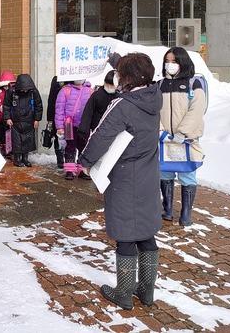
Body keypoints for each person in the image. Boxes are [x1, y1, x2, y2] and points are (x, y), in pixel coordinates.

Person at [79, 53, 162, 310]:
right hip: (149, 173)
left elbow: (101, 135)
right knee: (146, 233)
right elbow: (135, 70)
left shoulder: (123, 105)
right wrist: (117, 60)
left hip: (125, 176)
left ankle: (124, 292)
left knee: (126, 233)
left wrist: (86, 161)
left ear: (127, 77)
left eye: (119, 73)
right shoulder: (153, 97)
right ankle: (146, 290)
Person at [159, 47, 206, 226]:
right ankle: (167, 209)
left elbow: (197, 110)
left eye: (174, 61)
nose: (170, 65)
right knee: (165, 174)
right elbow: (154, 110)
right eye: (167, 61)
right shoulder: (160, 85)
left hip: (186, 140)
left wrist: (182, 132)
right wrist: (161, 132)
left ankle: (186, 213)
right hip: (165, 141)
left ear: (182, 62)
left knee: (187, 175)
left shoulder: (194, 83)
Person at [55, 79, 93, 179]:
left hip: (84, 125)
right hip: (69, 124)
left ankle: (82, 170)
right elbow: (59, 110)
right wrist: (59, 126)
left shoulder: (90, 91)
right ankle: (70, 170)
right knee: (70, 147)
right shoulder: (65, 90)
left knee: (84, 147)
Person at [3, 73, 43, 167]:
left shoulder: (33, 92)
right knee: (17, 141)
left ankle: (25, 159)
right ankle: (17, 159)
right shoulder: (11, 91)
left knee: (27, 140)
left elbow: (38, 106)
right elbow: (6, 106)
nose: (24, 91)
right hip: (15, 121)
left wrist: (37, 119)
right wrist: (7, 118)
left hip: (29, 121)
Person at [79, 71, 118, 136]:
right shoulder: (96, 95)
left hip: (111, 129)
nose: (109, 87)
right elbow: (88, 112)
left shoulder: (118, 97)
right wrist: (83, 129)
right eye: (107, 84)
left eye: (111, 85)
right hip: (96, 128)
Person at [46, 76, 65, 169]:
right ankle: (60, 160)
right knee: (58, 137)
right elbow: (51, 99)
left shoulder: (73, 78)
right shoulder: (57, 79)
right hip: (56, 115)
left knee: (69, 140)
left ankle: (68, 160)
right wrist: (49, 118)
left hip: (69, 116)